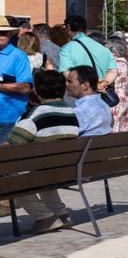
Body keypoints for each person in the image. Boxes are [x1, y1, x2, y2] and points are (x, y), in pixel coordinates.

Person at [4, 68, 77, 232]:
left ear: (36, 91)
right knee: (43, 171)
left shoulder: (36, 114)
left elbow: (12, 143)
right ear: (64, 89)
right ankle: (62, 213)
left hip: (43, 171)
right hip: (67, 169)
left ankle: (45, 217)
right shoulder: (70, 112)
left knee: (14, 179)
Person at [55, 14, 116, 100]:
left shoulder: (66, 49)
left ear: (68, 27)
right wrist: (103, 83)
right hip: (100, 97)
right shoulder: (103, 49)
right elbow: (113, 70)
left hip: (80, 97)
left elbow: (67, 73)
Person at [0, 24, 34, 143]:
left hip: (8, 119)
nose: (0, 35)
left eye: (3, 33)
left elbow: (25, 87)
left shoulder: (18, 56)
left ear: (9, 34)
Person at [65, 66, 111, 137]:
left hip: (83, 147)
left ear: (85, 85)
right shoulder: (105, 106)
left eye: (70, 81)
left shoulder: (79, 111)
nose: (66, 84)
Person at [104, 37, 128, 133]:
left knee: (115, 128)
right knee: (126, 129)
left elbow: (107, 81)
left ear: (113, 52)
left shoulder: (115, 65)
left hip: (116, 100)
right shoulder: (127, 63)